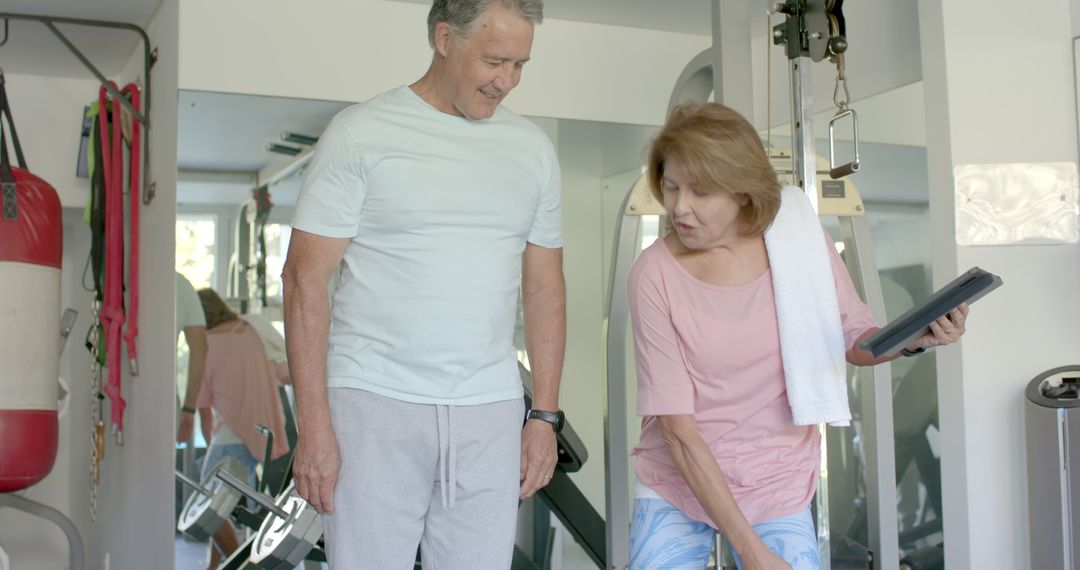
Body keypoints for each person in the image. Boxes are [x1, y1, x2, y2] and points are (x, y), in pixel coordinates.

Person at [281, 1, 566, 568]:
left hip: (489, 406)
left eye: (520, 65)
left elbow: (544, 289)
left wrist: (545, 417)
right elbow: (303, 280)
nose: (506, 81)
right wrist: (313, 429)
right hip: (374, 401)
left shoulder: (532, 150)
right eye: (495, 61)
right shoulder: (361, 134)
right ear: (443, 38)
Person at [626, 103, 969, 570]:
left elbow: (852, 338)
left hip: (775, 476)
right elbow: (678, 433)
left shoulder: (796, 241)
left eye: (700, 192)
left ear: (743, 193)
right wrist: (750, 551)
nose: (679, 207)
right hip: (678, 479)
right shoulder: (654, 273)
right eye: (670, 186)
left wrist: (916, 336)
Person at [195, 288, 290, 569]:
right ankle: (216, 565)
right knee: (230, 507)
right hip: (263, 433)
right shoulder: (249, 332)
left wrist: (208, 434)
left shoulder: (207, 343)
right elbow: (279, 373)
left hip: (230, 435)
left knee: (208, 506)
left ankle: (239, 563)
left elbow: (202, 406)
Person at [175, 271, 207, 444]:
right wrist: (188, 409)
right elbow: (200, 348)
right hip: (162, 399)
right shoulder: (181, 285)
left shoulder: (113, 276)